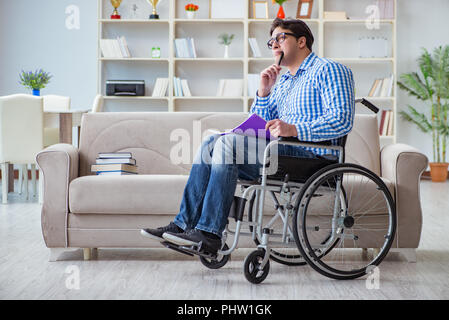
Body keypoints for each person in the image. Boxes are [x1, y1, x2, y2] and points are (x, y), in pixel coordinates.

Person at [141, 18, 355, 254]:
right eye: (271, 41)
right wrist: (263, 93)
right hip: (278, 154)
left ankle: (210, 233)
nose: (274, 44)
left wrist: (294, 129)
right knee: (210, 143)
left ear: (302, 41)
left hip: (312, 158)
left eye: (280, 38)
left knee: (228, 144)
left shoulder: (329, 69)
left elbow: (341, 119)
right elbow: (259, 125)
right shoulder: (283, 81)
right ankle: (183, 225)